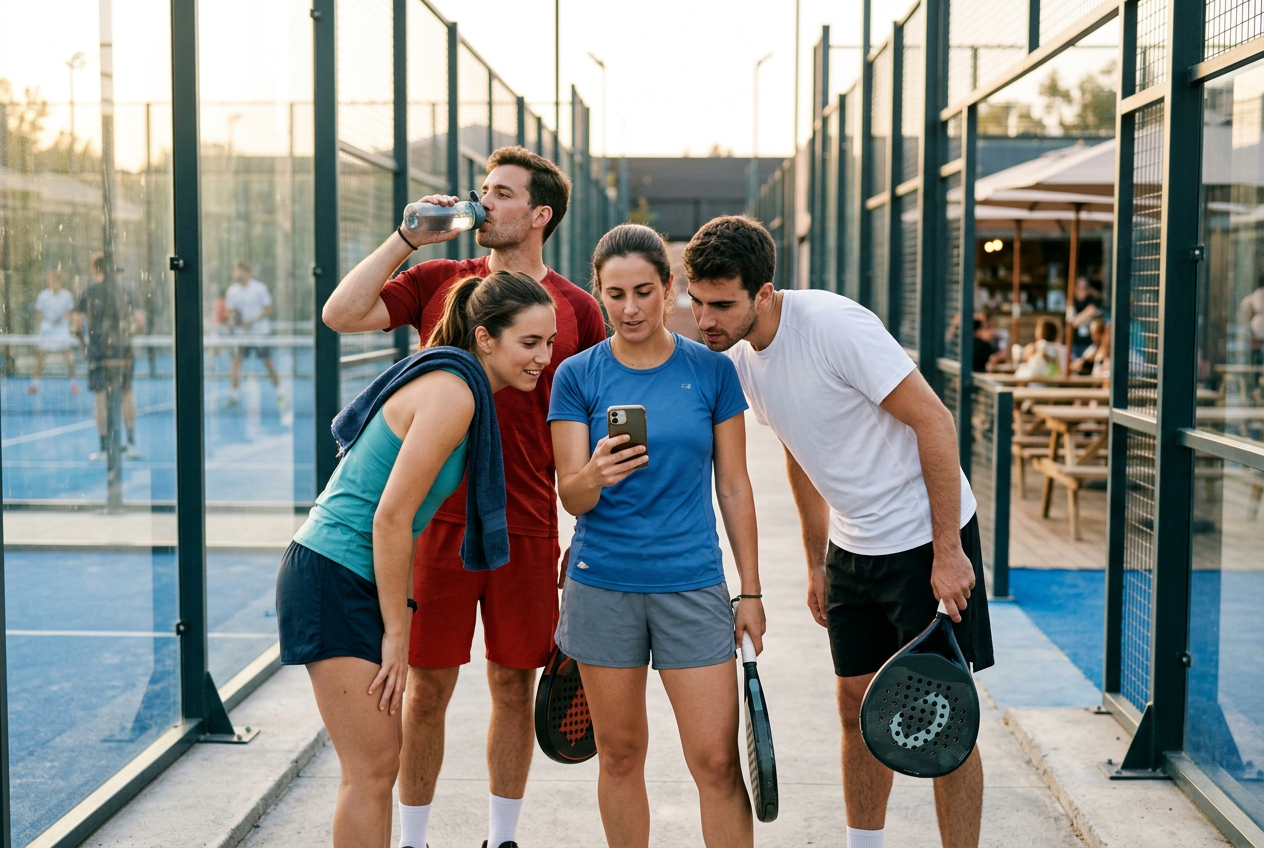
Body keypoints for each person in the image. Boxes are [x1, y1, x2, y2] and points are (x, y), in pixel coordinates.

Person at [321, 145, 605, 848]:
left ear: (539, 214)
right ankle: (414, 841)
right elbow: (341, 313)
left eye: (500, 193)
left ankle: (501, 839)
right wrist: (408, 235)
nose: (483, 202)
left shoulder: (578, 310)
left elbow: (591, 431)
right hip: (437, 527)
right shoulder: (441, 277)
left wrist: (585, 540)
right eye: (483, 189)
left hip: (529, 528)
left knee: (514, 687)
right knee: (427, 690)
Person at [683, 216, 993, 848]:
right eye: (697, 301)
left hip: (922, 534)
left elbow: (935, 423)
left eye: (722, 304)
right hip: (853, 544)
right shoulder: (741, 360)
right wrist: (816, 560)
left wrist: (948, 551)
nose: (705, 317)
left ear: (763, 294)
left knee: (944, 721)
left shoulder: (831, 326)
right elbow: (801, 446)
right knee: (855, 705)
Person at [278, 271, 556, 848]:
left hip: (347, 573)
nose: (543, 358)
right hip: (333, 574)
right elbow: (390, 518)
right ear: (485, 338)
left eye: (549, 343)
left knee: (376, 770)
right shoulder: (453, 394)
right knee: (371, 772)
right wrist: (398, 634)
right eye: (529, 343)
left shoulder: (458, 386)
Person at [548, 223, 763, 848]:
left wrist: (750, 592)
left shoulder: (712, 372)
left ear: (669, 289)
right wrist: (593, 474)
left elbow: (736, 487)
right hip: (601, 587)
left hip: (691, 586)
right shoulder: (575, 377)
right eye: (615, 295)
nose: (631, 308)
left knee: (717, 763)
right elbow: (571, 495)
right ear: (599, 296)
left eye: (644, 290)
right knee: (619, 757)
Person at [72, 253, 145, 461]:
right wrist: (126, 334)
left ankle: (104, 448)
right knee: (126, 395)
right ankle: (130, 444)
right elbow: (140, 322)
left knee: (100, 401)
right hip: (123, 353)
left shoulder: (87, 291)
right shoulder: (127, 291)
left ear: (95, 269)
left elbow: (76, 325)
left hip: (98, 354)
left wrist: (84, 346)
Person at [224, 260, 284, 409]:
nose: (237, 273)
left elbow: (268, 309)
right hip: (241, 335)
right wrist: (232, 320)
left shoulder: (259, 288)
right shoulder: (232, 291)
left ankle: (280, 394)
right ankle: (234, 397)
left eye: (240, 270)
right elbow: (231, 311)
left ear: (247, 272)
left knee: (268, 363)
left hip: (260, 333)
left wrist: (251, 321)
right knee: (236, 363)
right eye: (236, 270)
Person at [30, 270, 78, 394]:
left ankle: (74, 385)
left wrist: (60, 319)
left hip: (61, 329)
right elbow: (40, 313)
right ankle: (35, 385)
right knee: (40, 358)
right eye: (52, 280)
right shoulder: (42, 295)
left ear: (60, 282)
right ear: (49, 281)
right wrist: (49, 320)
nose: (54, 282)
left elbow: (69, 311)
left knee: (68, 357)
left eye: (56, 280)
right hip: (47, 329)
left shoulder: (67, 295)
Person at [1014, 316, 1066, 381]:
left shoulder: (1034, 348)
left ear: (1039, 332)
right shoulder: (1064, 350)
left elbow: (1027, 375)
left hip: (1035, 387)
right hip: (1059, 387)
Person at [1067, 277, 1103, 360]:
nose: (1082, 289)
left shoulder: (1093, 300)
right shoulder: (1072, 302)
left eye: (1085, 287)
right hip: (1076, 342)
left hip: (1090, 343)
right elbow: (1072, 322)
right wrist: (1085, 315)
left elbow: (1093, 309)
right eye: (1079, 286)